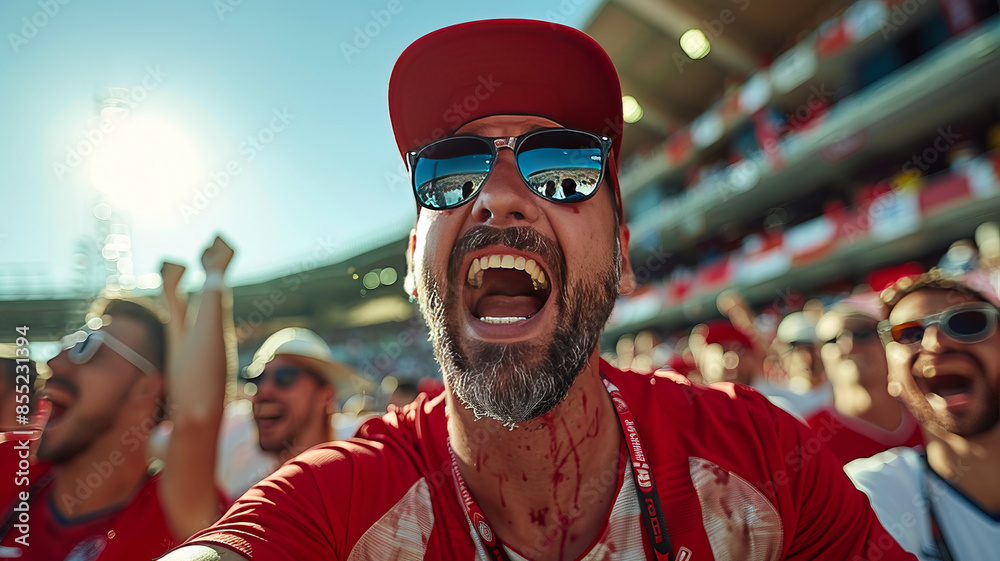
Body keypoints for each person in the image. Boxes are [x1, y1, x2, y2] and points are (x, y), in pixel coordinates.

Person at [165, 19, 914, 560]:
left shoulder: (765, 457)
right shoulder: (339, 502)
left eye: (562, 167)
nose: (498, 196)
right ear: (414, 264)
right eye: (451, 171)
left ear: (621, 259)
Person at [0, 237, 233, 560]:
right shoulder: (11, 463)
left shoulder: (171, 517)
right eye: (68, 343)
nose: (52, 362)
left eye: (87, 347)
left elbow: (195, 419)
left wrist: (212, 277)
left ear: (147, 388)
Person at [846, 271, 1000, 559]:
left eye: (967, 323)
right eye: (908, 333)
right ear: (892, 376)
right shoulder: (871, 494)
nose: (935, 342)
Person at [215, 327, 371, 499]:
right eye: (256, 379)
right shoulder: (234, 448)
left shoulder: (362, 455)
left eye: (285, 377)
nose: (264, 390)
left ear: (326, 396)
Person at [806, 305, 923, 464]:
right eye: (832, 340)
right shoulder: (808, 437)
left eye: (862, 334)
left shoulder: (930, 409)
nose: (848, 346)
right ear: (820, 354)